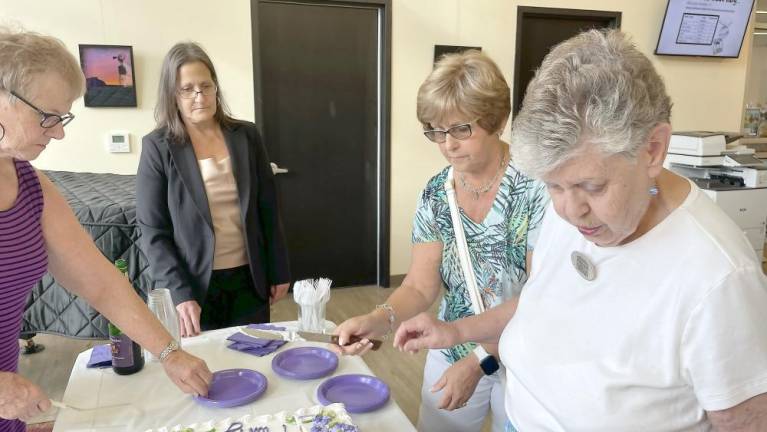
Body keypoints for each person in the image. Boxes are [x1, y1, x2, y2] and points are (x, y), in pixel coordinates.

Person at [393, 29, 767, 431]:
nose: (571, 211)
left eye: (593, 186)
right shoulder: (569, 213)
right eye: (554, 186)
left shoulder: (719, 278)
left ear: (653, 149)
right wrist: (455, 331)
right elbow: (535, 303)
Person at [0, 27, 212, 432]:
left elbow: (100, 281)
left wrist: (169, 352)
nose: (59, 132)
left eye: (62, 118)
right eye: (46, 117)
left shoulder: (30, 184)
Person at [333, 50, 548, 432]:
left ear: (496, 120)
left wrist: (481, 359)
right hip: (451, 346)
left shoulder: (537, 189)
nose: (447, 144)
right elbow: (419, 284)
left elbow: (542, 298)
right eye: (435, 130)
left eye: (460, 129)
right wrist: (377, 319)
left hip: (523, 355)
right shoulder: (437, 192)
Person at [137, 42, 291, 338]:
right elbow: (153, 232)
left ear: (216, 88)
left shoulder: (246, 136)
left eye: (206, 86)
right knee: (209, 370)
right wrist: (180, 294)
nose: (200, 96)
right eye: (188, 89)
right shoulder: (157, 147)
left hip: (250, 279)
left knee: (254, 358)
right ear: (173, 95)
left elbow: (268, 208)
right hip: (195, 287)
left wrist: (279, 269)